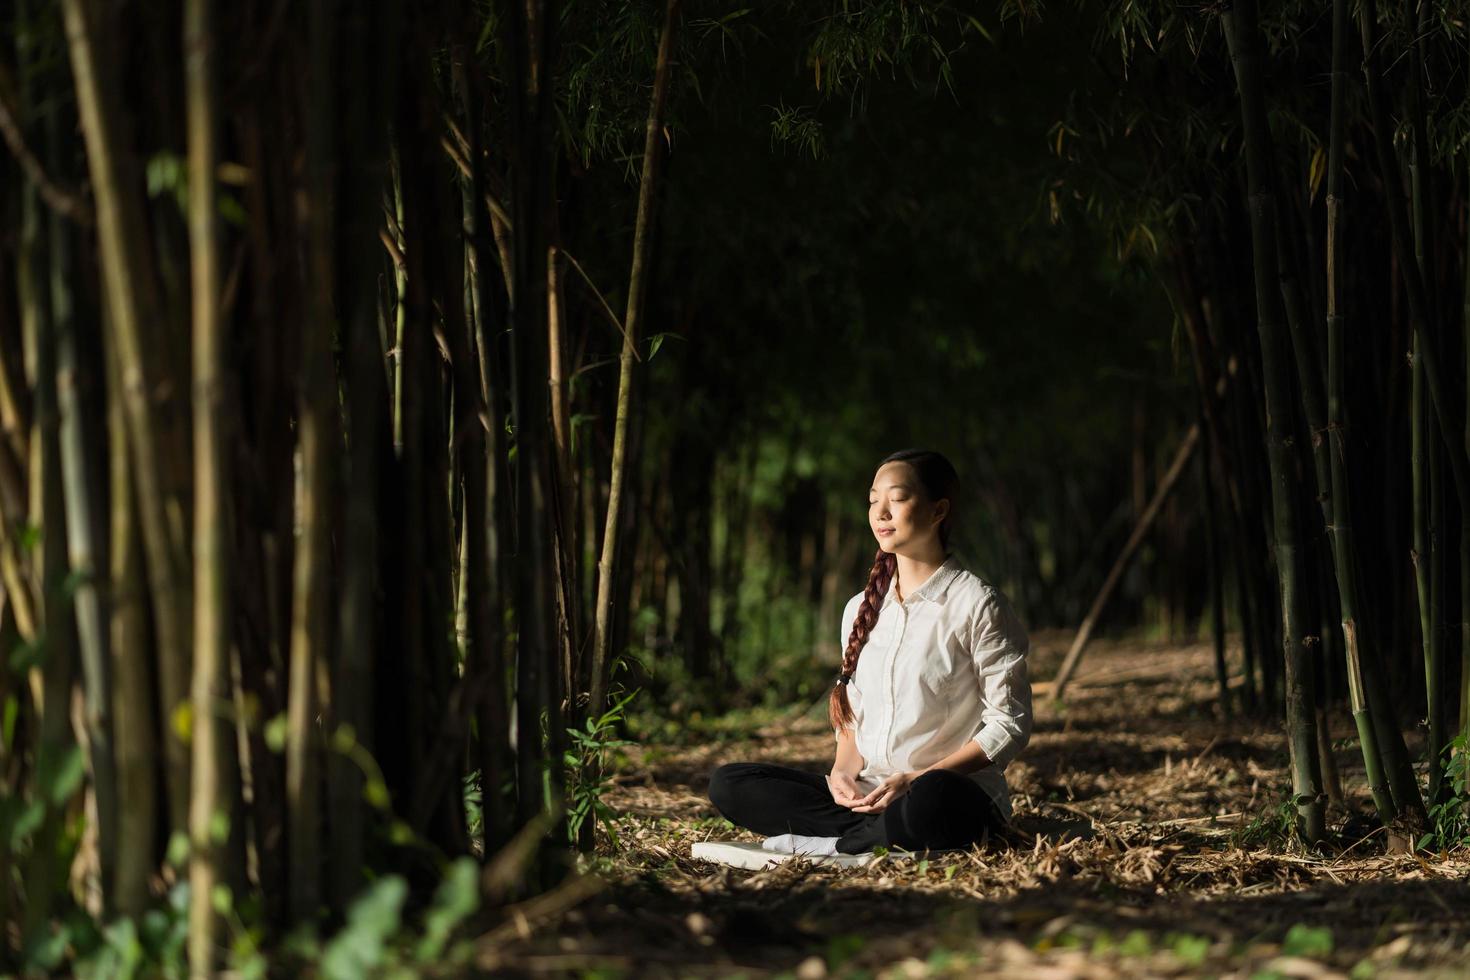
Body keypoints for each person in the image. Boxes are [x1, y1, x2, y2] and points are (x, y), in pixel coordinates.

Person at [707, 449, 1032, 857]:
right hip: (872, 796)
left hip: (946, 794)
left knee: (931, 800)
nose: (880, 512)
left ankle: (834, 844)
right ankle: (868, 836)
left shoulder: (977, 604)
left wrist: (913, 778)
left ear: (938, 511)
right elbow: (854, 716)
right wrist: (843, 771)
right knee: (730, 783)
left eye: (896, 499)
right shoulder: (861, 608)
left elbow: (1009, 724)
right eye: (873, 500)